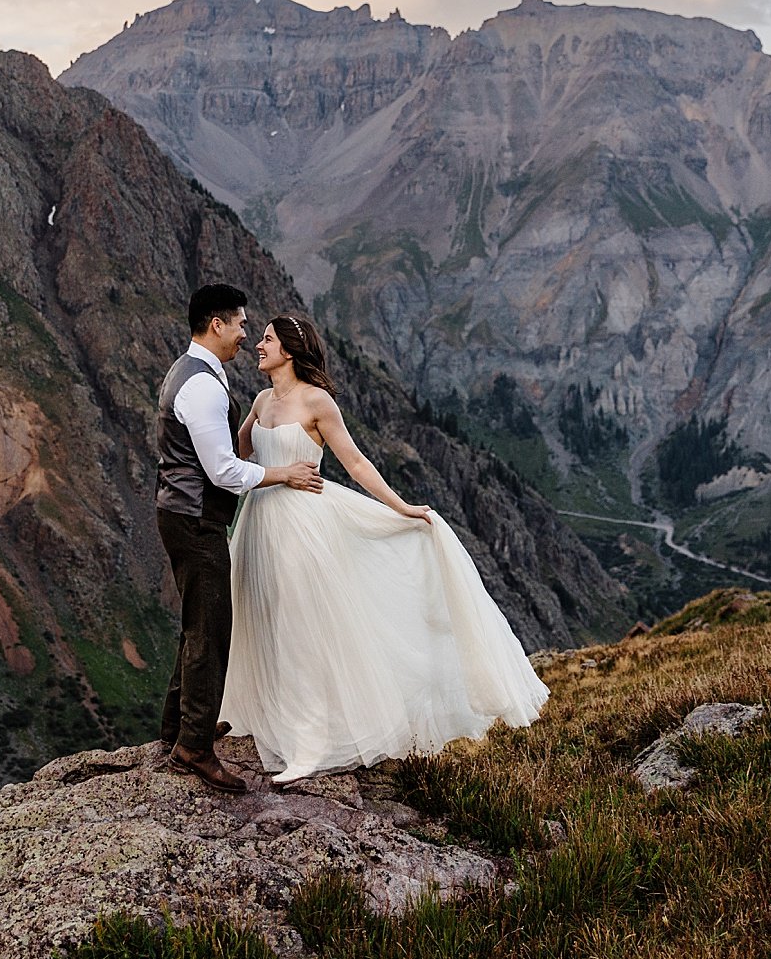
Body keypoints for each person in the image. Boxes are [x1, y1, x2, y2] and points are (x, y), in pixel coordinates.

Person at [219, 313, 549, 784]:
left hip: (303, 525)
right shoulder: (261, 398)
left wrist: (401, 508)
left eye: (267, 340)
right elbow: (243, 451)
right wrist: (241, 429)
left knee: (301, 629)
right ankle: (271, 721)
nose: (258, 345)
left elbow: (354, 462)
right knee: (263, 619)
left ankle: (309, 744)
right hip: (258, 522)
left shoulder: (318, 401)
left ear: (289, 350)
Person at [156, 285, 323, 793]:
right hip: (196, 518)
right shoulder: (203, 386)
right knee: (211, 630)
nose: (246, 334)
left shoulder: (190, 372)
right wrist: (283, 475)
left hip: (182, 512)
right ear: (216, 324)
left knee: (197, 623)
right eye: (241, 324)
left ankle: (179, 729)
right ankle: (194, 749)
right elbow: (225, 471)